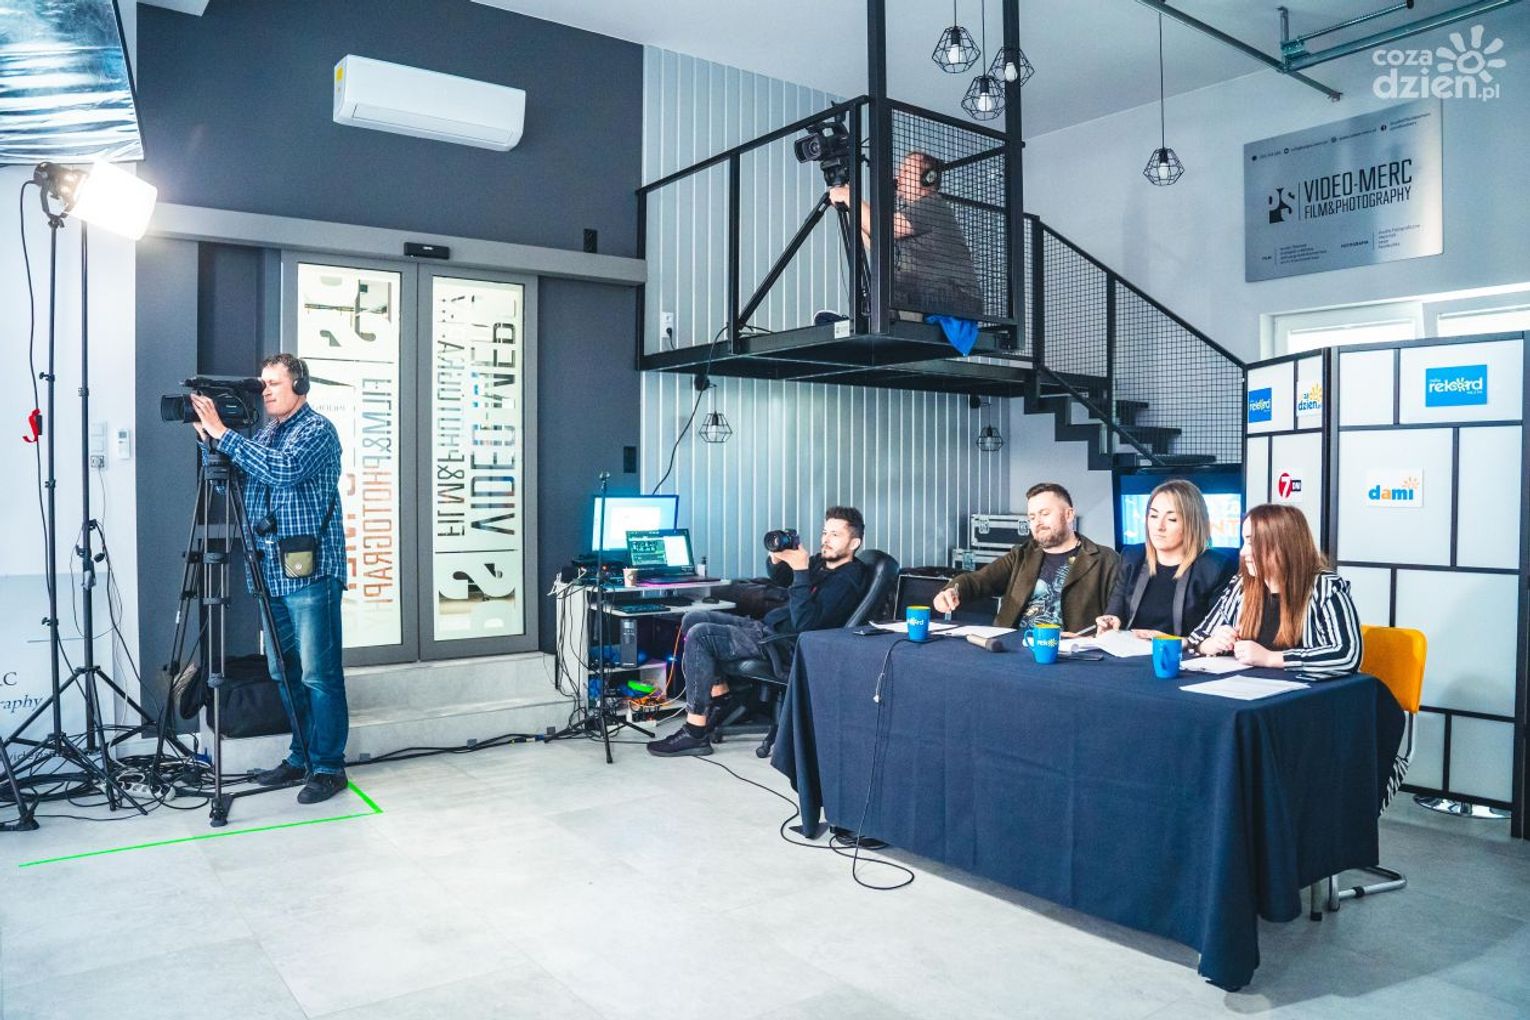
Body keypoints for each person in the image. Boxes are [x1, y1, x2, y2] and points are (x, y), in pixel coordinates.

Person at [189, 353, 350, 804]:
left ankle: (328, 766)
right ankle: (301, 756)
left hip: (311, 571)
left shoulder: (316, 430)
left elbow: (284, 471)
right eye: (262, 384)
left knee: (319, 674)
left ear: (300, 386)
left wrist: (224, 433)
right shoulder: (263, 435)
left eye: (274, 384)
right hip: (269, 573)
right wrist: (208, 441)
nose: (265, 392)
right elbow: (231, 485)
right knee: (284, 672)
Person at [647, 507, 871, 758]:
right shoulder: (821, 563)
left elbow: (805, 625)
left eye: (835, 535)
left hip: (786, 644)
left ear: (854, 543)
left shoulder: (847, 582)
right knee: (693, 618)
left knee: (701, 635)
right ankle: (721, 699)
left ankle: (695, 732)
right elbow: (782, 578)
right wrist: (777, 558)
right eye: (824, 532)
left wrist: (800, 572)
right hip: (768, 628)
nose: (825, 540)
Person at [1185, 503, 1362, 678]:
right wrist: (1214, 643)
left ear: (1282, 545)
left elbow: (1347, 656)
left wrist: (1270, 658)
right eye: (1244, 542)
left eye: (1252, 542)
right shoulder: (1241, 585)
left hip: (1307, 692)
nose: (1243, 552)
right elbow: (1196, 639)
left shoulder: (1325, 586)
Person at [933, 483, 1119, 636]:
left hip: (1071, 653)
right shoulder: (1022, 555)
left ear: (1068, 515)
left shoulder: (1105, 559)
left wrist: (1095, 635)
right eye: (1032, 517)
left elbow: (1118, 614)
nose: (1037, 522)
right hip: (1013, 646)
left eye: (1045, 514)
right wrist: (951, 591)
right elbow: (979, 580)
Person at [828, 150, 982, 319]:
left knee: (896, 288)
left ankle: (875, 320)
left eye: (907, 171)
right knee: (890, 285)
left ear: (928, 177)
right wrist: (850, 207)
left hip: (957, 298)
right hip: (931, 295)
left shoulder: (932, 205)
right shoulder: (909, 219)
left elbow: (885, 228)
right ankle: (870, 319)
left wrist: (851, 197)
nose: (898, 177)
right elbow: (874, 239)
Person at [1096, 479, 1235, 638]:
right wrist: (1111, 620)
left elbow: (1215, 635)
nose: (1159, 526)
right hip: (1131, 650)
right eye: (1153, 516)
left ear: (1192, 523)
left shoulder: (1216, 567)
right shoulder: (1132, 556)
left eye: (1172, 519)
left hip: (1183, 652)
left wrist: (1169, 640)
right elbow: (1116, 608)